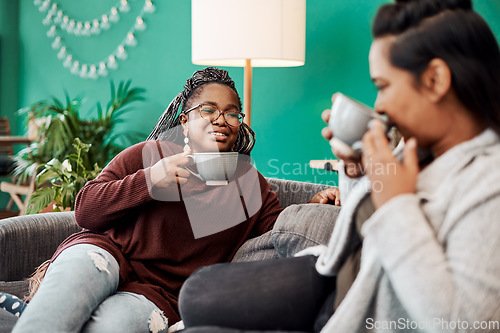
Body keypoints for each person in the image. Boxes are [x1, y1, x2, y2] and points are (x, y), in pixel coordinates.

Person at [177, 0, 500, 332]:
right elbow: (361, 234)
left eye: (383, 86)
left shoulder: (489, 184)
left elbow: (464, 325)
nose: (380, 106)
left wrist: (395, 204)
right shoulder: (418, 154)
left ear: (435, 80)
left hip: (368, 310)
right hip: (348, 286)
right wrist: (356, 172)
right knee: (197, 294)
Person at [11, 67, 341, 333]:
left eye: (231, 112)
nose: (220, 119)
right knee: (57, 310)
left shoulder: (247, 183)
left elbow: (276, 232)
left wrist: (316, 203)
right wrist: (151, 180)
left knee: (115, 325)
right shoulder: (148, 155)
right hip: (102, 253)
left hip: (158, 294)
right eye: (207, 110)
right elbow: (85, 210)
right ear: (184, 121)